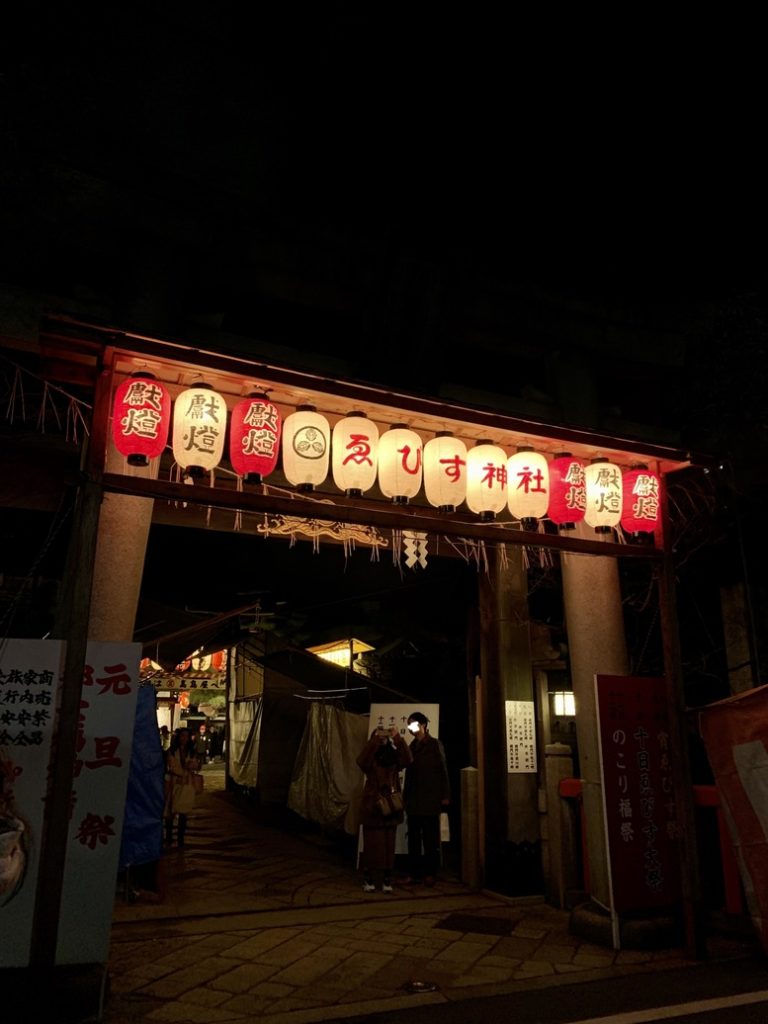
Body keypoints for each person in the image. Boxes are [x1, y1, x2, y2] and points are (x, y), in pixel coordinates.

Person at [356, 725, 412, 893]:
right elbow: (361, 761)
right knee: (371, 845)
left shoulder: (393, 757)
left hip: (390, 806)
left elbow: (408, 760)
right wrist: (374, 741)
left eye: (385, 736)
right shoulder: (371, 757)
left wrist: (398, 739)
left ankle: (387, 879)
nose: (383, 737)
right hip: (373, 806)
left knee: (389, 844)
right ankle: (369, 878)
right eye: (379, 735)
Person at [402, 711, 450, 887]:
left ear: (423, 725)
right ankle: (414, 873)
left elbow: (443, 770)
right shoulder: (412, 746)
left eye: (413, 724)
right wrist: (405, 798)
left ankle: (430, 873)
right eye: (409, 725)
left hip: (430, 799)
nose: (410, 728)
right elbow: (408, 775)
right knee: (413, 839)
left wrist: (445, 795)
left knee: (430, 839)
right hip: (414, 800)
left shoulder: (435, 745)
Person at [164, 728, 199, 847]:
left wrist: (192, 765)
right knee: (170, 810)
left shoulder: (191, 751)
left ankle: (180, 838)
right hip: (173, 783)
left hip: (186, 784)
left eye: (186, 736)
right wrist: (184, 771)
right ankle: (169, 836)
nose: (184, 738)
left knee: (184, 811)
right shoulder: (172, 751)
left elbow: (196, 765)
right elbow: (172, 766)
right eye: (182, 736)